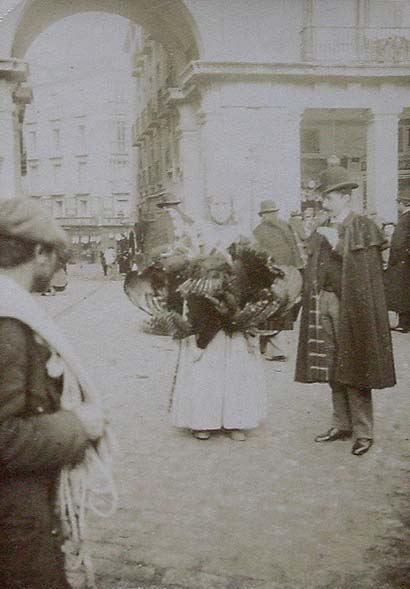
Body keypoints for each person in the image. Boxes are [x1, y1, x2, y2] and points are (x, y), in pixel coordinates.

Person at [0, 198, 114, 588]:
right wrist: (76, 426)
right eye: (58, 255)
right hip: (12, 527)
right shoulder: (7, 324)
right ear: (38, 252)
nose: (59, 266)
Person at [295, 167, 396, 456]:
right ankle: (341, 423)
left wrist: (336, 242)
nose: (323, 202)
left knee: (354, 362)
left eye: (328, 197)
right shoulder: (325, 223)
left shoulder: (362, 225)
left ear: (343, 197)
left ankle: (364, 431)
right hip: (323, 300)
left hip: (350, 306)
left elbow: (365, 271)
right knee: (331, 361)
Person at [253, 200, 303, 361]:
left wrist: (297, 266)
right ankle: (271, 348)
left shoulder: (280, 227)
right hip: (277, 273)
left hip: (283, 272)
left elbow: (293, 247)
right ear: (263, 215)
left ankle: (270, 347)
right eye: (269, 212)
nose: (272, 215)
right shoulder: (261, 230)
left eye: (273, 212)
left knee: (278, 309)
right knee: (275, 309)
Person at [385, 193, 410, 332]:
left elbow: (399, 242)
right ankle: (405, 322)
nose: (397, 206)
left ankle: (404, 323)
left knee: (402, 292)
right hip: (404, 261)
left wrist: (394, 259)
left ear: (403, 203)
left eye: (398, 203)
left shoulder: (406, 218)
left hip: (401, 262)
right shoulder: (405, 218)